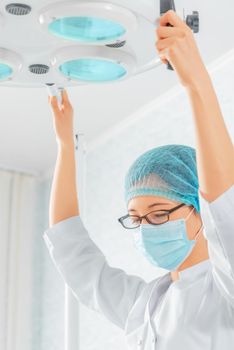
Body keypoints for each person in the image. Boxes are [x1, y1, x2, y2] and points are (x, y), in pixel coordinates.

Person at [43, 10, 234, 350]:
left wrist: (197, 83)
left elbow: (223, 200)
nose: (147, 228)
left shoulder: (225, 286)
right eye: (136, 219)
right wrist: (64, 148)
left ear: (198, 211)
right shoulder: (145, 305)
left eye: (159, 214)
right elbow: (73, 254)